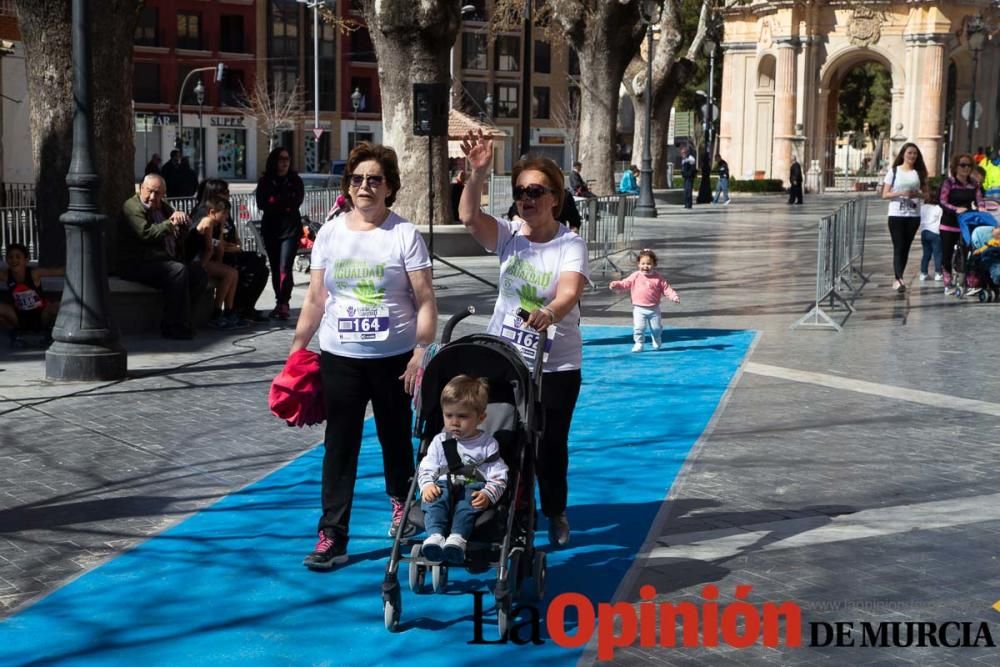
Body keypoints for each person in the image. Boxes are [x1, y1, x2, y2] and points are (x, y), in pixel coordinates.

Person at [293, 142, 437, 570]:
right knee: (339, 447)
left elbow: (426, 300)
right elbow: (316, 299)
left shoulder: (404, 235)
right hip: (340, 357)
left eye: (375, 179)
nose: (365, 186)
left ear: (389, 186)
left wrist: (420, 351)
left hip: (395, 359)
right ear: (348, 185)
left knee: (395, 439)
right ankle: (332, 536)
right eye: (357, 179)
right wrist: (297, 350)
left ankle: (403, 507)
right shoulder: (331, 233)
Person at [459, 129, 589, 548]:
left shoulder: (571, 244)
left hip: (555, 364)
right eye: (520, 192)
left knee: (549, 446)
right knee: (503, 440)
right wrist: (477, 174)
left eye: (536, 191)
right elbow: (468, 218)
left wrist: (550, 312)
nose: (527, 199)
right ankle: (511, 513)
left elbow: (569, 290)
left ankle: (555, 511)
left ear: (555, 197)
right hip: (506, 358)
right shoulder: (509, 236)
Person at [418, 375, 508, 564]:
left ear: (480, 417)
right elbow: (428, 466)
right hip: (444, 486)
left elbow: (499, 476)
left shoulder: (488, 445)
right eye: (449, 415)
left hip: (472, 488)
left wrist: (488, 494)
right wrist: (426, 485)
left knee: (468, 502)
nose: (454, 422)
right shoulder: (440, 441)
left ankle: (457, 538)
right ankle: (435, 536)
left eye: (463, 416)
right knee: (434, 498)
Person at [117, 174, 206, 339]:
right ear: (141, 188)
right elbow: (146, 233)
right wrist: (170, 223)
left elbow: (177, 228)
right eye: (150, 191)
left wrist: (181, 221)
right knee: (177, 271)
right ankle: (174, 326)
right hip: (138, 263)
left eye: (158, 193)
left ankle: (184, 319)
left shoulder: (164, 206)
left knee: (198, 274)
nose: (153, 197)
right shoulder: (132, 207)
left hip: (163, 260)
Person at [191, 178, 269, 322]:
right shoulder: (206, 214)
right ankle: (232, 309)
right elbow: (210, 246)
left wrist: (235, 245)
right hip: (210, 257)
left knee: (261, 266)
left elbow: (228, 234)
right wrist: (229, 249)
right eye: (225, 191)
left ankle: (245, 307)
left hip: (223, 252)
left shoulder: (222, 210)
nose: (228, 194)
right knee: (247, 267)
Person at [256, 147, 305, 320]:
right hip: (271, 230)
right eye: (281, 159)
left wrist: (276, 201)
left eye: (287, 159)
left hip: (290, 230)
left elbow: (296, 201)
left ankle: (284, 302)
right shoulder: (265, 181)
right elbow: (263, 203)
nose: (285, 163)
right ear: (274, 161)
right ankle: (279, 301)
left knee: (285, 266)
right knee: (276, 267)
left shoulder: (295, 180)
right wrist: (282, 202)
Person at [609, 249, 679, 352]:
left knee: (656, 329)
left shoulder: (658, 278)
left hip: (654, 309)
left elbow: (666, 288)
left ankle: (656, 338)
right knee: (639, 328)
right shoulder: (636, 275)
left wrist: (673, 296)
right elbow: (625, 283)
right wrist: (616, 284)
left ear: (654, 264)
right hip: (639, 308)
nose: (645, 266)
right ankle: (639, 343)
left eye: (649, 264)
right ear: (638, 264)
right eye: (643, 263)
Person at [190, 195, 245, 329]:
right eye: (224, 213)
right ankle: (216, 313)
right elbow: (209, 249)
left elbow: (219, 248)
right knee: (229, 273)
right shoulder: (207, 222)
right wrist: (203, 270)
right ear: (212, 212)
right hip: (196, 259)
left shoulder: (217, 225)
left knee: (233, 273)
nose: (226, 216)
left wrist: (219, 266)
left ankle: (229, 311)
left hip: (207, 259)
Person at [881, 143, 929, 292]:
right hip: (896, 214)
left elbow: (927, 195)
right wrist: (901, 193)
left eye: (915, 153)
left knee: (906, 247)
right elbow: (885, 194)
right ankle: (898, 279)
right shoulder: (894, 171)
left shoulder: (920, 173)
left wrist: (916, 194)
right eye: (909, 153)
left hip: (913, 215)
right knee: (899, 246)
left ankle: (899, 277)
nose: (912, 156)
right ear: (903, 154)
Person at [939, 152, 985, 294]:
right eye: (962, 165)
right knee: (946, 253)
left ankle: (970, 280)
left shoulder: (974, 185)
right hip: (949, 223)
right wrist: (955, 209)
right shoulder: (949, 183)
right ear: (956, 167)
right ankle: (947, 281)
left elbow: (979, 200)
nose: (966, 168)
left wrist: (981, 208)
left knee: (970, 251)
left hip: (966, 223)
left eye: (969, 165)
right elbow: (942, 201)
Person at [1, 243, 62, 343]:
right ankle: (14, 334)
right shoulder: (6, 275)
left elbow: (58, 271)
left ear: (26, 260)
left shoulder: (34, 274)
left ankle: (49, 332)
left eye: (18, 257)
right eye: (10, 257)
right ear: (7, 260)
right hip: (19, 317)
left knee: (57, 306)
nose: (14, 260)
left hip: (41, 316)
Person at [918, 202, 943, 283]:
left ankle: (923, 273)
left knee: (926, 254)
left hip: (924, 231)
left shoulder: (922, 207)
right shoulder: (938, 208)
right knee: (937, 254)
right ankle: (938, 273)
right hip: (935, 232)